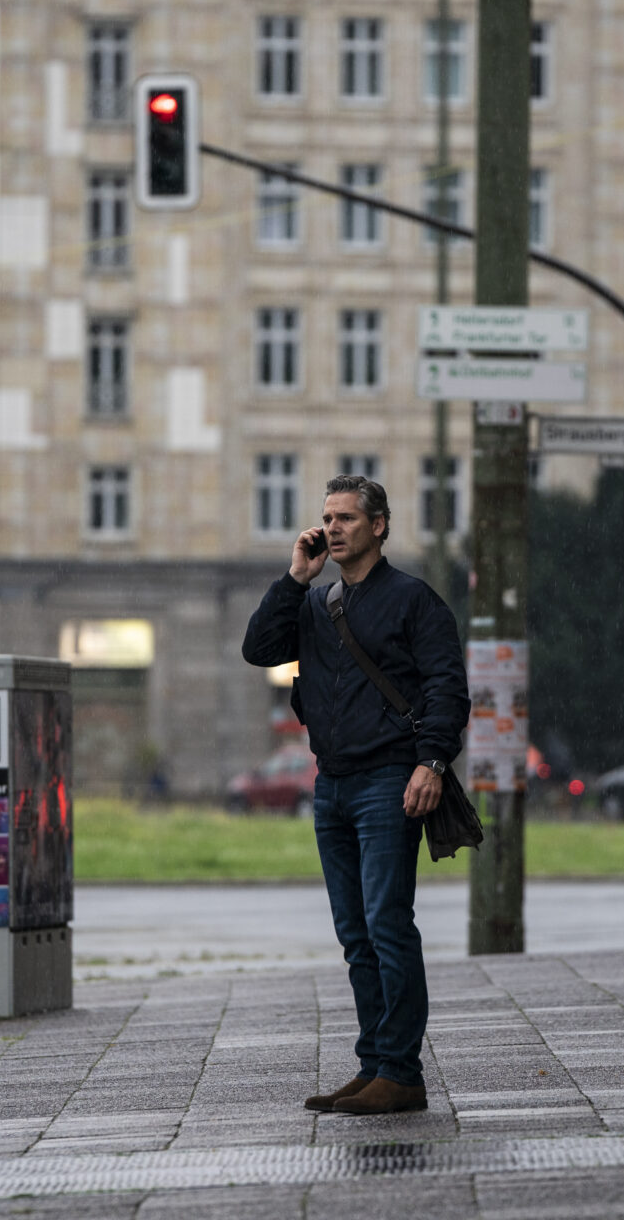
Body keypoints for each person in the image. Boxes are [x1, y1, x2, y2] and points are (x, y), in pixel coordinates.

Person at [242, 475, 467, 1115]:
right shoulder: (316, 602)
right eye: (327, 518)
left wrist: (431, 763)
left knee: (388, 925)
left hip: (388, 783)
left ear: (380, 526)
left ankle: (400, 1070)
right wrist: (295, 579)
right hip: (332, 785)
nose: (334, 527)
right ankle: (375, 1066)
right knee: (355, 933)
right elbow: (257, 648)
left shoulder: (413, 601)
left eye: (346, 518)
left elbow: (449, 690)